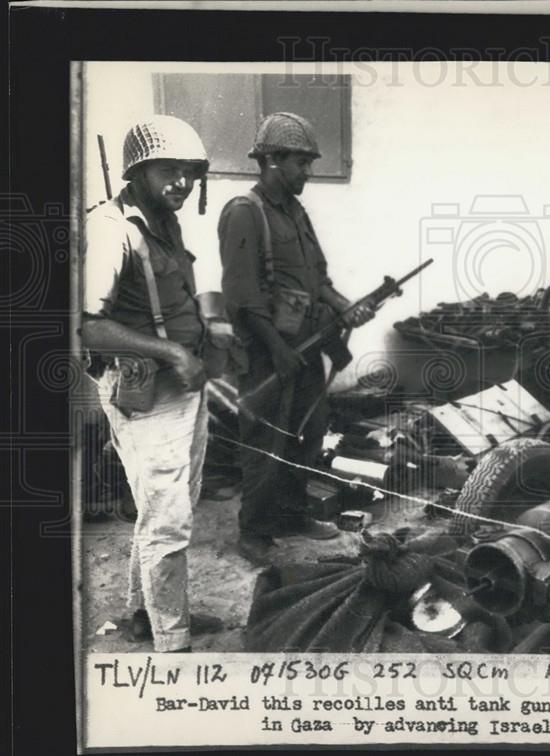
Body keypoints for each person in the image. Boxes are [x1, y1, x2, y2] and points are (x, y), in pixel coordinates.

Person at [82, 115, 224, 652]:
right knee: (167, 522)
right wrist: (169, 350)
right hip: (146, 394)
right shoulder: (110, 229)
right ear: (137, 171)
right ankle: (173, 644)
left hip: (185, 386)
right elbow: (87, 323)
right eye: (169, 170)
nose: (182, 183)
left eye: (190, 173)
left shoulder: (166, 222)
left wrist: (204, 339)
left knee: (170, 508)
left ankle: (150, 615)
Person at [218, 112, 374, 566]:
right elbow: (242, 297)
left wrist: (348, 307)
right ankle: (254, 532)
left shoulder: (296, 212)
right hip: (269, 354)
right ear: (270, 160)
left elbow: (318, 278)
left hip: (305, 347)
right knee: (265, 441)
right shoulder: (245, 213)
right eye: (301, 162)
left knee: (308, 433)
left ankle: (289, 514)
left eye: (309, 162)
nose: (308, 171)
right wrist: (278, 350)